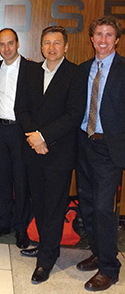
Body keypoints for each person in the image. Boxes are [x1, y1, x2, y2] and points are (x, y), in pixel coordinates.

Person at [15, 26, 86, 283]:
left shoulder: (75, 74)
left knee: (55, 207)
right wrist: (35, 138)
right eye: (47, 43)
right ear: (41, 46)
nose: (52, 47)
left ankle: (46, 260)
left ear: (66, 47)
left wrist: (43, 137)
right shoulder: (31, 71)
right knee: (40, 204)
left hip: (59, 152)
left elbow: (74, 114)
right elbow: (20, 108)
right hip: (33, 150)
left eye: (57, 43)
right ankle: (46, 245)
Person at [76, 15, 125, 292]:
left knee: (104, 209)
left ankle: (109, 268)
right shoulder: (84, 70)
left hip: (109, 148)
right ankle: (98, 251)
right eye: (98, 35)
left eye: (109, 35)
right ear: (91, 38)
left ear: (116, 40)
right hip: (84, 143)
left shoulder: (123, 69)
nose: (103, 40)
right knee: (88, 205)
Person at [0, 28, 31, 249]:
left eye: (10, 43)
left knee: (21, 181)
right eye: (2, 44)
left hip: (21, 132)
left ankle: (21, 228)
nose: (6, 48)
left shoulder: (31, 68)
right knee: (2, 179)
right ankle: (3, 223)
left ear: (17, 43)